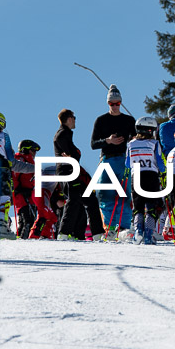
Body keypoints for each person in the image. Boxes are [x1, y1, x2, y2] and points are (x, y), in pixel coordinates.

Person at [90, 85, 136, 234]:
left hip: (124, 160)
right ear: (108, 103)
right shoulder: (101, 120)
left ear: (121, 103)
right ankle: (109, 228)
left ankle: (124, 228)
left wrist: (132, 139)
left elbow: (137, 138)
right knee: (105, 195)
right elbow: (93, 144)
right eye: (112, 104)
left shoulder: (129, 120)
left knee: (125, 194)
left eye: (117, 103)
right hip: (107, 160)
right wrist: (108, 141)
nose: (115, 107)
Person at [54, 109, 105, 241]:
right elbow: (63, 145)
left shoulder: (66, 133)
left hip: (71, 171)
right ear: (69, 119)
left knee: (91, 199)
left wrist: (73, 154)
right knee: (74, 198)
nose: (76, 120)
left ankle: (98, 233)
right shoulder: (63, 133)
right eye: (74, 117)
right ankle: (63, 233)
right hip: (68, 171)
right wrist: (70, 154)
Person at [0, 112, 34, 238]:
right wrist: (34, 168)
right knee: (4, 197)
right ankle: (1, 227)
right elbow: (12, 161)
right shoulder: (4, 136)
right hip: (1, 169)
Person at [125, 117, 164, 245]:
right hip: (151, 176)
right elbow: (160, 163)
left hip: (136, 177)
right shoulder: (155, 143)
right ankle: (148, 234)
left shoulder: (130, 144)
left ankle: (138, 232)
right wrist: (164, 172)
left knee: (138, 206)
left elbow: (126, 163)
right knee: (151, 206)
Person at [12, 140, 41, 239]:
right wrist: (17, 189)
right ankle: (24, 241)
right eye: (33, 150)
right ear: (25, 150)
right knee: (27, 220)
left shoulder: (30, 162)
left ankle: (21, 238)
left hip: (30, 195)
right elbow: (14, 176)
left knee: (30, 220)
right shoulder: (20, 160)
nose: (34, 153)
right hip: (20, 194)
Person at [29, 164, 65, 239]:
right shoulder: (60, 169)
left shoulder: (52, 168)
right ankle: (33, 237)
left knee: (52, 217)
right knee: (43, 215)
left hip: (40, 192)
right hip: (42, 192)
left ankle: (45, 236)